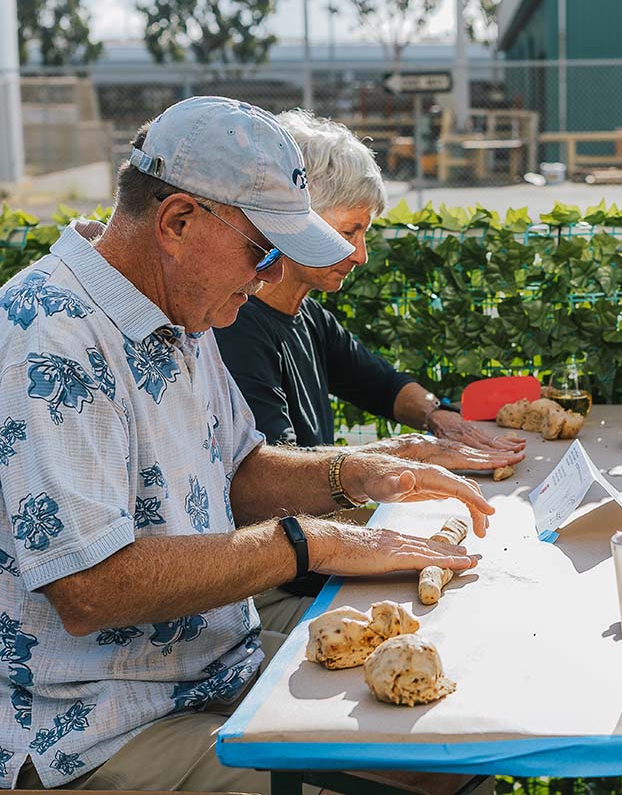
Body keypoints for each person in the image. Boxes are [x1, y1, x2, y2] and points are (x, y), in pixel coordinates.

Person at [0, 96, 494, 793]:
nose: (270, 277)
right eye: (263, 250)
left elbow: (240, 468)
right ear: (177, 221)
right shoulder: (50, 339)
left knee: (457, 756)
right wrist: (308, 542)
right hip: (95, 728)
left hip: (205, 672)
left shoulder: (180, 313)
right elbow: (90, 587)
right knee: (412, 778)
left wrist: (365, 472)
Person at [213, 110, 524, 457]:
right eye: (349, 232)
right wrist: (411, 452)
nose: (360, 255)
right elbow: (279, 469)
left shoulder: (310, 317)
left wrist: (438, 417)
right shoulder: (237, 329)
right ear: (294, 221)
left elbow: (382, 385)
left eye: (364, 233)